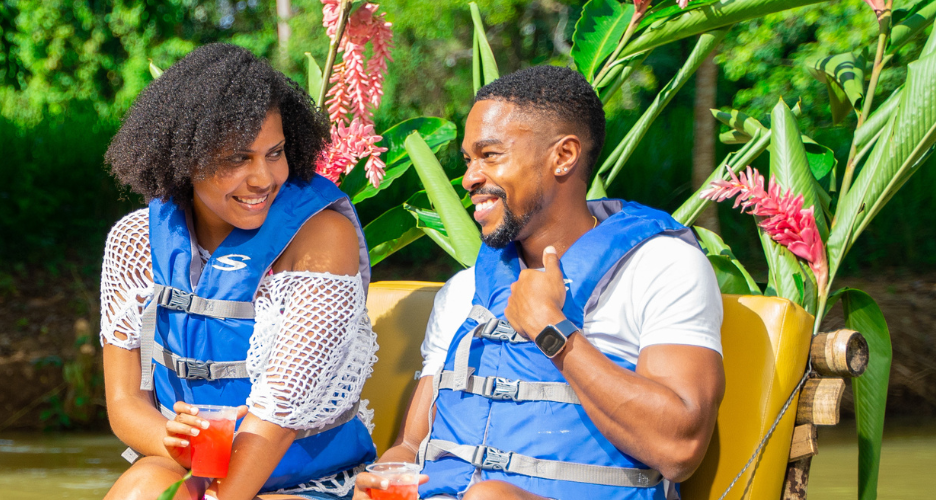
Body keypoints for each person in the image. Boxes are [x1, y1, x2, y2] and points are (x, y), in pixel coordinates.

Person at [353, 66, 726, 500]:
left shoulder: (662, 267)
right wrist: (388, 473)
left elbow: (679, 450)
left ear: (563, 156)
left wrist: (551, 328)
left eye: (489, 155)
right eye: (468, 160)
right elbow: (412, 446)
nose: (470, 177)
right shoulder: (464, 291)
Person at [98, 43, 381, 500]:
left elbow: (280, 418)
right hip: (189, 465)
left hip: (304, 477)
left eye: (275, 153)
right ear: (185, 157)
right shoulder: (135, 241)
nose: (264, 179)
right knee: (140, 490)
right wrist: (170, 439)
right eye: (237, 159)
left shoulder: (323, 239)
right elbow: (125, 402)